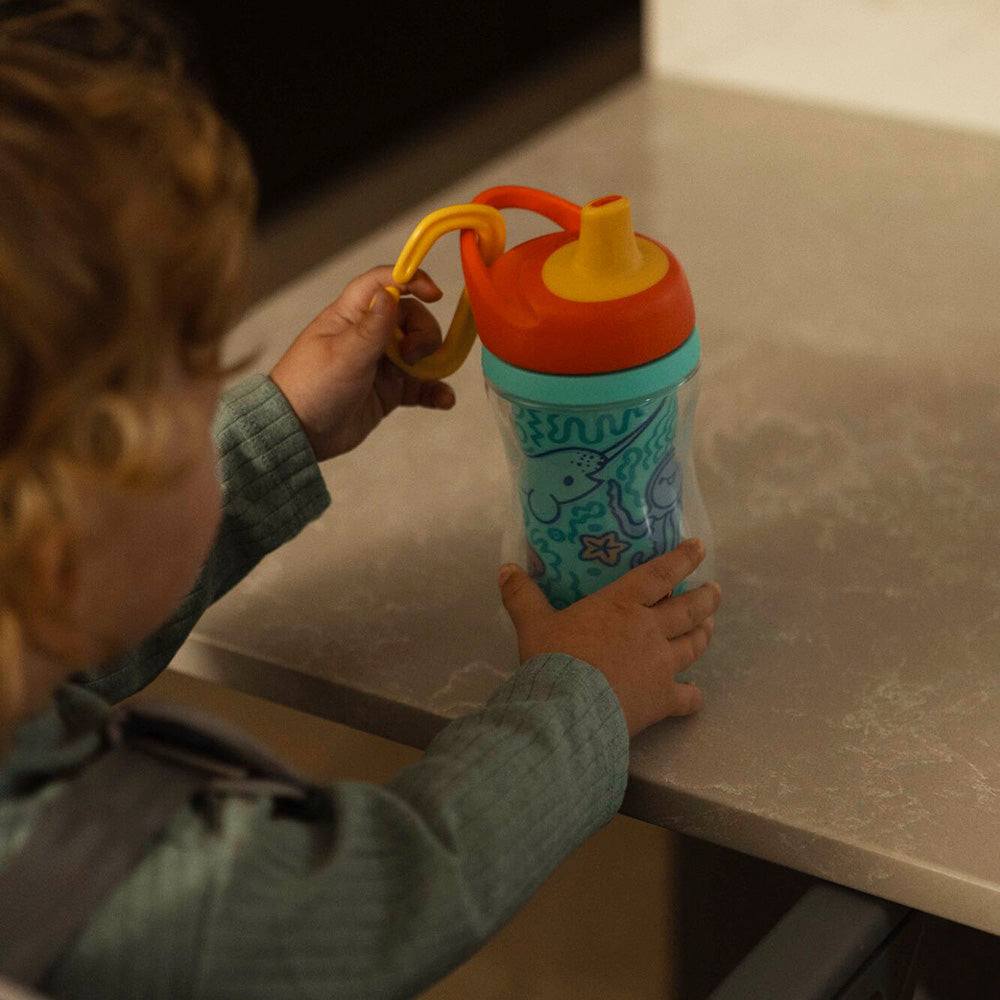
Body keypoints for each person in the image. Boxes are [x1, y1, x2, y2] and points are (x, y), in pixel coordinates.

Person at [0, 1, 721, 997]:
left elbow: (64, 637)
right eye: (197, 388)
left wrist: (279, 427)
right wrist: (581, 692)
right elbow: (388, 892)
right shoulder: (81, 880)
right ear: (56, 534)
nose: (216, 404)